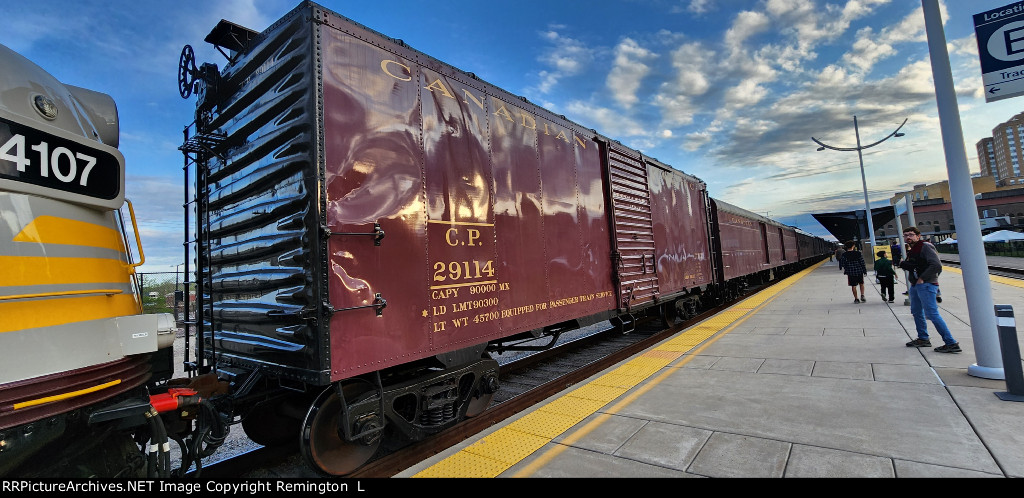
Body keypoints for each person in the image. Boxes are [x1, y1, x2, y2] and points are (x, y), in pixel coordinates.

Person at [900, 227, 960, 353]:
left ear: (918, 235)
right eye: (905, 235)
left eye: (911, 235)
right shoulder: (913, 249)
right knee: (916, 311)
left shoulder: (925, 246)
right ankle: (923, 338)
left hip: (926, 284)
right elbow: (918, 265)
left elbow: (936, 265)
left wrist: (922, 278)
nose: (908, 237)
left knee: (932, 314)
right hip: (916, 285)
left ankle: (951, 342)